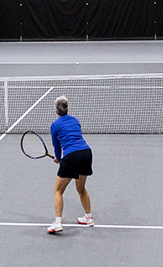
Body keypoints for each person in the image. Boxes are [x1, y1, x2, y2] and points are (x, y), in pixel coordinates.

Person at [47, 95, 94, 233]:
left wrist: (58, 158)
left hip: (72, 156)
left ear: (56, 111)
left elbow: (57, 146)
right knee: (80, 188)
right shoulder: (75, 120)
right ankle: (88, 217)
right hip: (86, 153)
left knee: (58, 191)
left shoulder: (55, 125)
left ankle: (57, 222)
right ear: (67, 108)